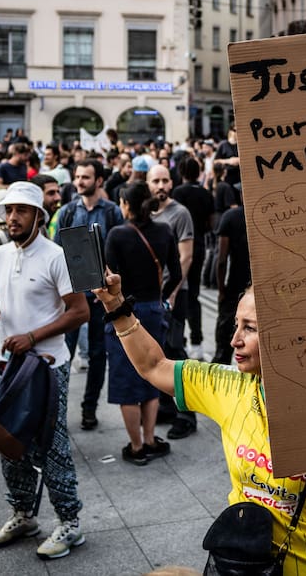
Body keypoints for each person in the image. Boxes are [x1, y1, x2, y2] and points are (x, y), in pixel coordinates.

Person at [97, 274, 306, 576]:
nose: (235, 340)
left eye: (250, 328)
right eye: (237, 325)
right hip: (240, 564)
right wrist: (116, 306)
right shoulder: (227, 386)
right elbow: (153, 365)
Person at [0, 181, 90, 559]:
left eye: (21, 210)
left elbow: (80, 311)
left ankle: (70, 524)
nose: (12, 218)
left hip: (47, 366)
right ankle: (23, 514)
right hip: (6, 366)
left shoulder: (57, 255)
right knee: (10, 444)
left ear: (39, 216)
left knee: (52, 446)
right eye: (8, 211)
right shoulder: (0, 255)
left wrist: (32, 336)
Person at [104, 181, 180, 464]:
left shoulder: (117, 235)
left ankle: (136, 446)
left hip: (125, 311)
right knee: (153, 372)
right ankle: (150, 438)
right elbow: (177, 270)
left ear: (126, 205)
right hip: (153, 308)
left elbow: (109, 279)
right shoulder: (164, 230)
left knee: (126, 380)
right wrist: (161, 295)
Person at [55, 159, 124, 431]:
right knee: (64, 354)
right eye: (78, 176)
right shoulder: (67, 212)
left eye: (86, 177)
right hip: (73, 298)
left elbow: (119, 253)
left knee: (97, 355)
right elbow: (57, 255)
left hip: (100, 299)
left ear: (99, 181)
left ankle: (89, 409)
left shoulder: (112, 212)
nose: (80, 181)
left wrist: (110, 288)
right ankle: (58, 409)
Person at [147, 164, 197, 440]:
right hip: (153, 294)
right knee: (160, 351)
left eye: (165, 180)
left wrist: (173, 292)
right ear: (147, 184)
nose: (161, 185)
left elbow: (185, 257)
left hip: (175, 292)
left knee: (176, 351)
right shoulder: (147, 214)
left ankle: (187, 415)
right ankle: (167, 405)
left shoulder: (180, 213)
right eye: (156, 181)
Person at [171, 156, 214, 357]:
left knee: (178, 292)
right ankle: (197, 341)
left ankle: (181, 339)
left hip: (180, 247)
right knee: (194, 294)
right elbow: (212, 223)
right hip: (199, 246)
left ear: (181, 173)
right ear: (198, 173)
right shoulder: (206, 194)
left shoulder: (178, 193)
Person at [214, 204, 250, 365]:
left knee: (224, 342)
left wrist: (221, 290)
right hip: (258, 288)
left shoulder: (230, 216)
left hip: (233, 287)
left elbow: (221, 260)